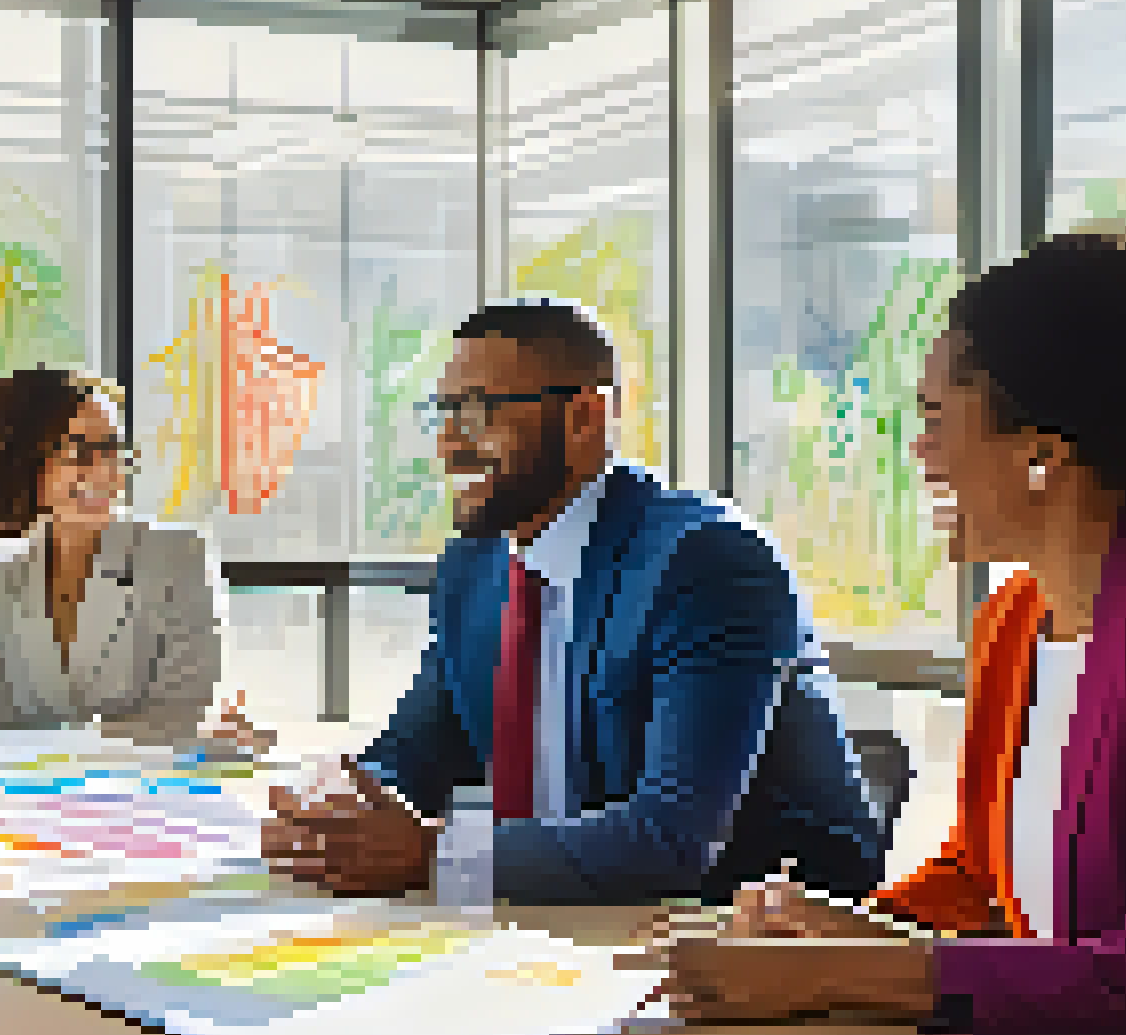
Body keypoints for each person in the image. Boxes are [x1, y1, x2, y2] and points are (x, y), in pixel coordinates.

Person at [655, 230, 1126, 1035]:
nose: (920, 451)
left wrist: (832, 975)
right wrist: (837, 929)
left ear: (1041, 453)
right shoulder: (1013, 622)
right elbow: (982, 882)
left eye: (938, 418)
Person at [263, 300, 885, 905]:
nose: (450, 446)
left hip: (754, 950)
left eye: (479, 414)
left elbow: (669, 841)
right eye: (443, 414)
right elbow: (410, 758)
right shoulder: (475, 568)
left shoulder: (704, 562)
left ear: (584, 418)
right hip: (561, 934)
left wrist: (432, 856)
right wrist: (333, 810)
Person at [0, 367, 256, 754]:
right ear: (29, 463)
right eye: (80, 452)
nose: (104, 472)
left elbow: (183, 717)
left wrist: (58, 746)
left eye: (112, 449)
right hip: (32, 802)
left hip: (150, 798)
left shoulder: (179, 559)